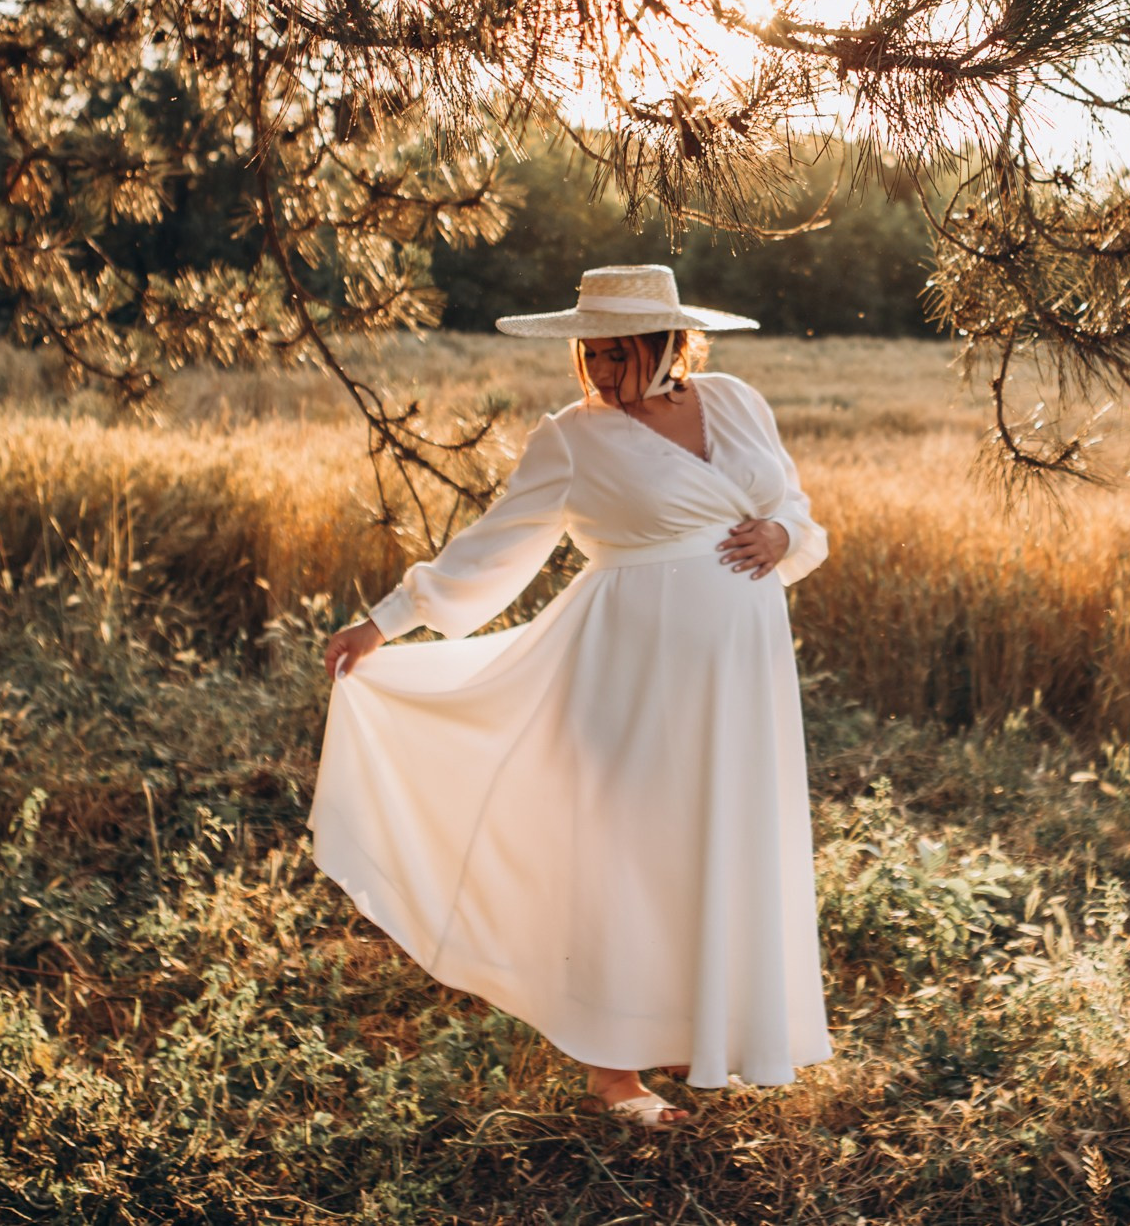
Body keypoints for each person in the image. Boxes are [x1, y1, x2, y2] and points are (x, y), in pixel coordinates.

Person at [311, 264, 831, 1128]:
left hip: (741, 669)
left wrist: (783, 534)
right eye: (591, 353)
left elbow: (799, 512)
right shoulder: (571, 437)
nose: (602, 371)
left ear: (668, 344)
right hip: (627, 666)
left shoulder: (738, 402)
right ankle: (612, 1074)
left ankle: (695, 1033)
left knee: (716, 835)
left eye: (620, 353)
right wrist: (385, 621)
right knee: (622, 852)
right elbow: (494, 545)